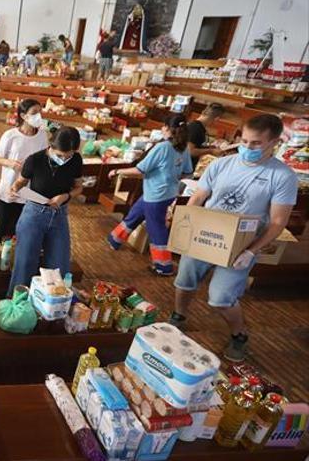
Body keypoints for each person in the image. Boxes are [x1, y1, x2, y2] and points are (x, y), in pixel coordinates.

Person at [169, 114, 297, 362]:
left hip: (241, 245)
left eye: (256, 143)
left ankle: (239, 334)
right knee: (184, 280)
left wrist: (251, 251)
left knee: (221, 298)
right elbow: (198, 197)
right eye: (245, 141)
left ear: (274, 142)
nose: (247, 148)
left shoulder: (282, 176)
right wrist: (186, 225)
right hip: (206, 235)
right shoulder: (221, 165)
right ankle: (178, 315)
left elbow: (278, 221)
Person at [107, 115, 194, 276]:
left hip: (155, 194)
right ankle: (115, 239)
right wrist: (170, 177)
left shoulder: (162, 147)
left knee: (156, 229)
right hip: (167, 193)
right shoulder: (184, 148)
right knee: (136, 213)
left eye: (163, 126)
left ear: (168, 129)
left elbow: (140, 170)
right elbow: (188, 173)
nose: (161, 129)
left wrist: (117, 171)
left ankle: (163, 266)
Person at [7, 127, 83, 294]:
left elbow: (78, 188)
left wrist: (65, 196)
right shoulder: (35, 160)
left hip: (59, 215)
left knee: (59, 265)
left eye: (68, 155)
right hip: (34, 214)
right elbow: (20, 182)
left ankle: (51, 306)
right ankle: (17, 302)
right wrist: (14, 188)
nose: (64, 159)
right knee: (25, 263)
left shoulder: (76, 160)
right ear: (51, 146)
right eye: (60, 155)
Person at [0, 98, 49, 240]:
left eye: (40, 112)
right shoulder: (11, 135)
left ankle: (15, 258)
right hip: (8, 188)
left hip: (29, 191)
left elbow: (45, 158)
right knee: (3, 228)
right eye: (34, 113)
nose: (39, 116)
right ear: (23, 116)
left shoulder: (42, 135)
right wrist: (11, 163)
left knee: (21, 229)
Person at [186, 103, 226, 169]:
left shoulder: (198, 126)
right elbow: (190, 151)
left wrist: (210, 147)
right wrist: (211, 151)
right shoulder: (196, 128)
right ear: (217, 119)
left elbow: (196, 145)